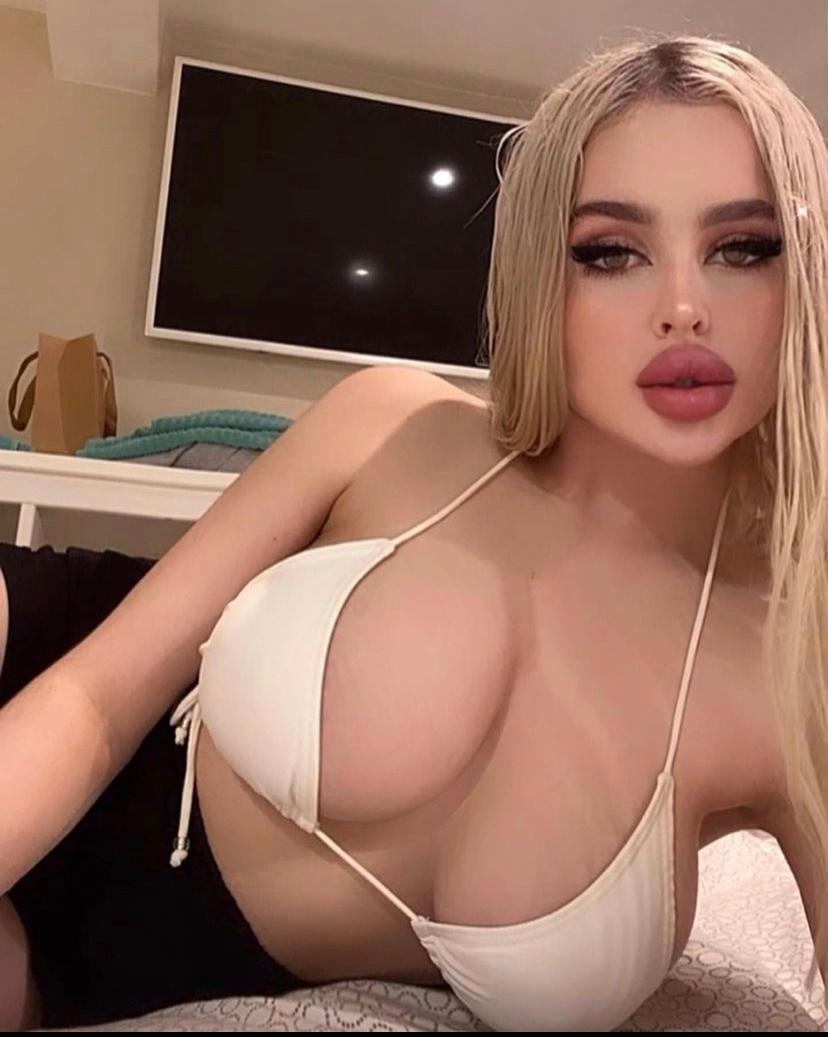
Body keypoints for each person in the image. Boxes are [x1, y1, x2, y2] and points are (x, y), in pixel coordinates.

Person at [2, 29, 827, 1033]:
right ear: (541, 276)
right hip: (51, 686)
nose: (684, 308)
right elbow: (94, 699)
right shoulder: (392, 419)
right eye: (611, 251)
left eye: (743, 247)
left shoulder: (793, 660)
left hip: (124, 963)